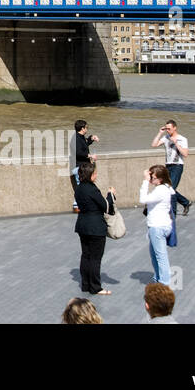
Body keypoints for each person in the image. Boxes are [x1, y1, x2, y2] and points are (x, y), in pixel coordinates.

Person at [73, 161, 113, 296]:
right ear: (90, 175)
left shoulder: (78, 188)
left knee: (86, 255)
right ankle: (96, 287)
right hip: (95, 227)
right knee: (95, 258)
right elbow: (105, 206)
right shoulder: (92, 189)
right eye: (95, 173)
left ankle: (85, 284)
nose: (96, 175)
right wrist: (110, 195)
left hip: (82, 225)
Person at [140, 164, 175, 285]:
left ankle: (164, 283)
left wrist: (145, 181)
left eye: (153, 177)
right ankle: (159, 278)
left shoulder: (161, 190)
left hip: (157, 227)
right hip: (160, 226)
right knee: (155, 255)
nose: (151, 179)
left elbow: (143, 199)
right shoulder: (165, 187)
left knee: (160, 256)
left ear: (160, 179)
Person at [151, 121, 190, 217]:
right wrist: (160, 132)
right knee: (167, 188)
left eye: (169, 129)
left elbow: (185, 154)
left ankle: (173, 213)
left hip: (177, 165)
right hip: (168, 166)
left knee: (170, 189)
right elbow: (154, 145)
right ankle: (185, 202)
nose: (167, 130)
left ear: (175, 128)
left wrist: (176, 143)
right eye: (166, 129)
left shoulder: (182, 139)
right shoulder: (166, 137)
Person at [71, 120, 98, 212]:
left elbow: (85, 144)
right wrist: (90, 156)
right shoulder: (76, 139)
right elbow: (78, 153)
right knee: (81, 186)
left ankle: (78, 205)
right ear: (82, 128)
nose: (87, 129)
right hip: (79, 167)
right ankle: (76, 205)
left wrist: (91, 138)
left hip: (81, 167)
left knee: (82, 186)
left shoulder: (80, 137)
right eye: (86, 127)